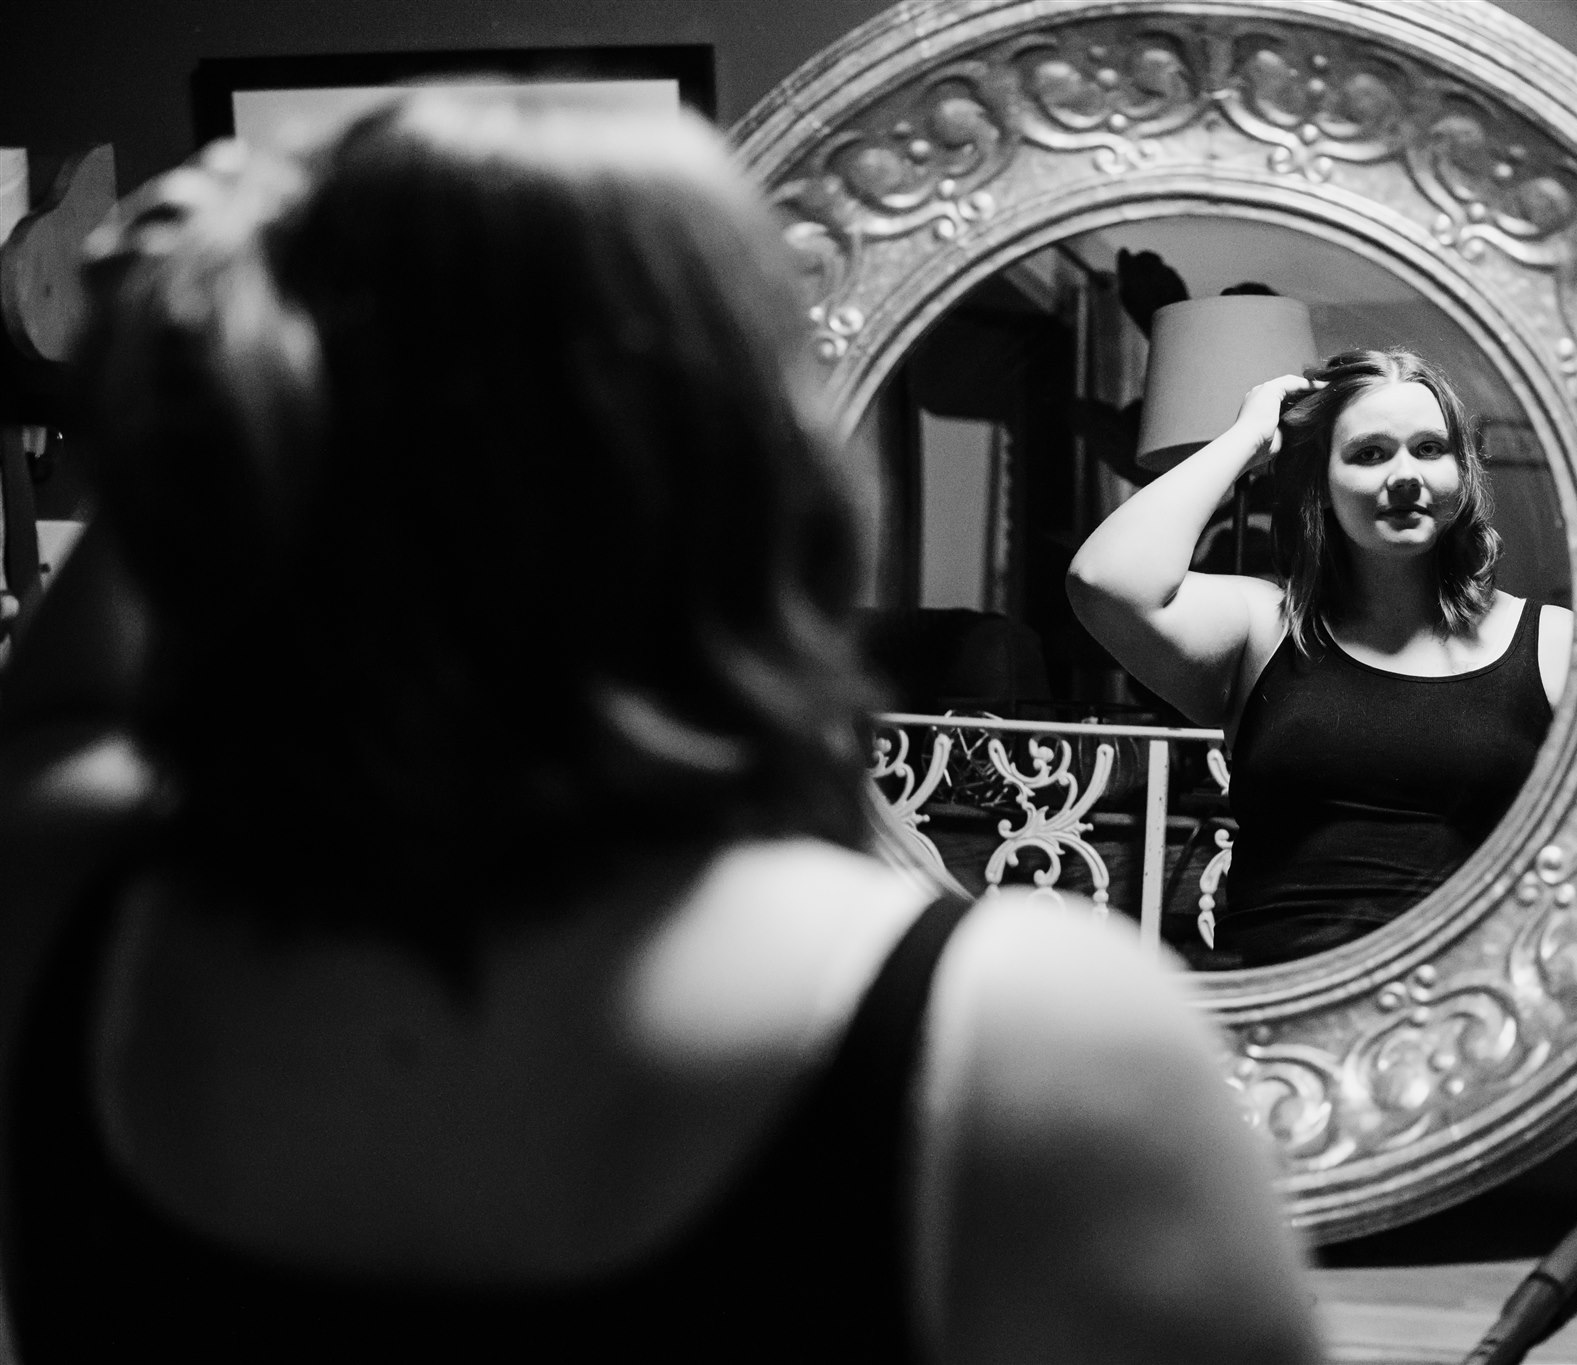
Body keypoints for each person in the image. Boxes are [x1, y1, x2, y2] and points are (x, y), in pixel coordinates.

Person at [0, 91, 1322, 1363]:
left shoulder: (69, 900)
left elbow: (59, 707)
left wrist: (212, 382)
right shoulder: (1035, 1038)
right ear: (764, 462)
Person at [1068, 349, 1572, 966]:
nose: (1405, 475)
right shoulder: (1261, 629)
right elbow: (1104, 581)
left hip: (1467, 1018)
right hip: (1278, 1014)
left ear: (1462, 474)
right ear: (1323, 487)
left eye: (1430, 449)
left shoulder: (1551, 642)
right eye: (1369, 453)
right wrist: (1246, 438)